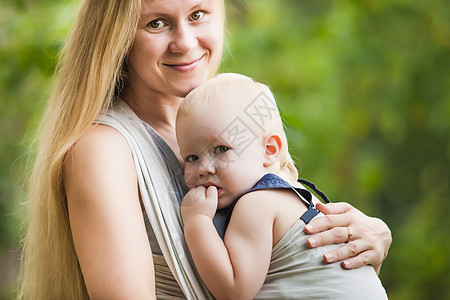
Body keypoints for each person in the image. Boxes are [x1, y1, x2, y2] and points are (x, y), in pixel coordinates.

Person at [18, 0, 392, 299]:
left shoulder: (230, 115)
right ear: (116, 38)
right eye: (156, 23)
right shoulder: (104, 150)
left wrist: (366, 237)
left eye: (197, 15)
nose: (184, 42)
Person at [177, 73, 388, 299]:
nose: (203, 169)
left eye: (221, 149)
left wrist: (196, 222)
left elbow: (233, 291)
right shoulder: (299, 195)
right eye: (191, 158)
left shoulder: (256, 204)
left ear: (269, 150)